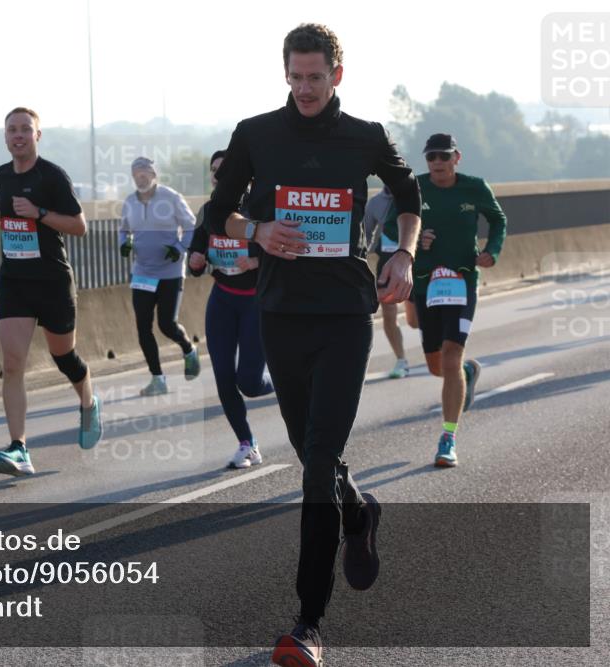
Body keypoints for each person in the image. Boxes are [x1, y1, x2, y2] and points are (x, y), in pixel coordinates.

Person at [207, 24, 422, 667]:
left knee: (316, 461)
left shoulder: (364, 136)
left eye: (316, 77)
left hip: (345, 313)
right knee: (313, 454)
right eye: (295, 77)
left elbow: (408, 197)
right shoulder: (256, 134)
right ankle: (357, 514)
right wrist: (259, 228)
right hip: (280, 312)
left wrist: (403, 254)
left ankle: (308, 624)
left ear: (336, 75)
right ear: (286, 74)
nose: (304, 88)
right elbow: (218, 211)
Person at [0, 107, 103, 477]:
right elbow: (12, 210)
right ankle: (19, 448)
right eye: (12, 130)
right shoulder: (0, 175)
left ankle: (88, 401)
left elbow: (79, 226)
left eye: (25, 130)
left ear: (37, 136)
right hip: (15, 279)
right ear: (5, 137)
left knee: (64, 357)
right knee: (12, 364)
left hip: (51, 279)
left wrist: (39, 211)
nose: (18, 135)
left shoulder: (52, 175)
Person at [410, 133, 506, 467]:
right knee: (438, 366)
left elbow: (498, 220)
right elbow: (394, 227)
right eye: (431, 157)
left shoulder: (475, 187)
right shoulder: (415, 187)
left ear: (456, 157)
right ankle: (466, 372)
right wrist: (416, 238)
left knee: (450, 357)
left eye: (443, 156)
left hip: (463, 282)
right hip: (425, 284)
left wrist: (491, 251)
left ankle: (448, 438)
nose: (437, 162)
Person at [188, 150, 274, 468]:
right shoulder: (211, 210)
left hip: (256, 300)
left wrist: (256, 260)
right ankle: (246, 443)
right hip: (223, 298)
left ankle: (290, 382)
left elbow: (286, 249)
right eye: (214, 171)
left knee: (249, 383)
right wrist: (195, 261)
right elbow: (197, 253)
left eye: (224, 170)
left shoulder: (261, 208)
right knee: (224, 376)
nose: (218, 176)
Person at [119, 156, 200, 396]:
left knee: (166, 324)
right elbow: (124, 229)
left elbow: (191, 226)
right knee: (143, 326)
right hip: (142, 271)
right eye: (136, 173)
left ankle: (188, 349)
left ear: (154, 175)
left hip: (170, 272)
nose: (141, 177)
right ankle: (158, 379)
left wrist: (179, 248)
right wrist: (124, 243)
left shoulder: (171, 197)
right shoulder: (130, 202)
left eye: (145, 172)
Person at [361, 185, 410, 378]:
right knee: (389, 314)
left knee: (415, 320)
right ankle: (401, 360)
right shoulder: (375, 203)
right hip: (387, 264)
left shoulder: (415, 195)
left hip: (416, 263)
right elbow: (364, 235)